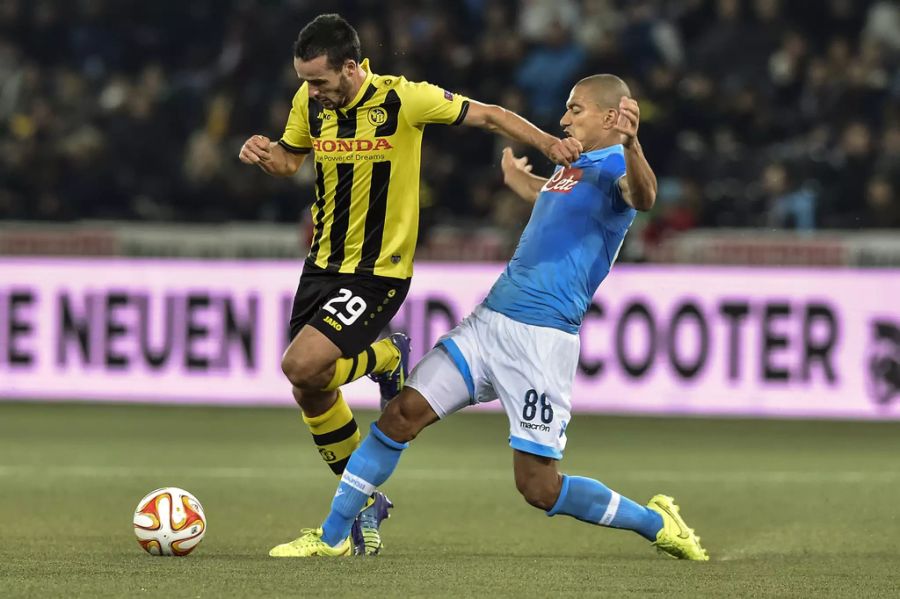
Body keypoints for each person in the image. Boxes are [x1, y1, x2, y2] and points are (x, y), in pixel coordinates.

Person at [269, 74, 709, 561]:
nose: (563, 118)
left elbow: (643, 198)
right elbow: (562, 202)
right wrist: (523, 181)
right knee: (400, 417)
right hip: (488, 323)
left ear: (610, 116)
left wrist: (634, 143)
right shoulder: (577, 167)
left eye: (575, 109)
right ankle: (331, 537)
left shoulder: (618, 165)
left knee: (538, 487)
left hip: (541, 341)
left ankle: (655, 521)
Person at [238, 13, 582, 556]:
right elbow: (289, 160)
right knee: (311, 387)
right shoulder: (309, 104)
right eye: (305, 80)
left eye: (320, 81)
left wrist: (546, 142)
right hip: (321, 266)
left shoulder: (405, 100)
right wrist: (265, 156)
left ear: (351, 67)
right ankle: (366, 498)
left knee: (299, 364)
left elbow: (488, 116)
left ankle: (385, 359)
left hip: (378, 273)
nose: (311, 91)